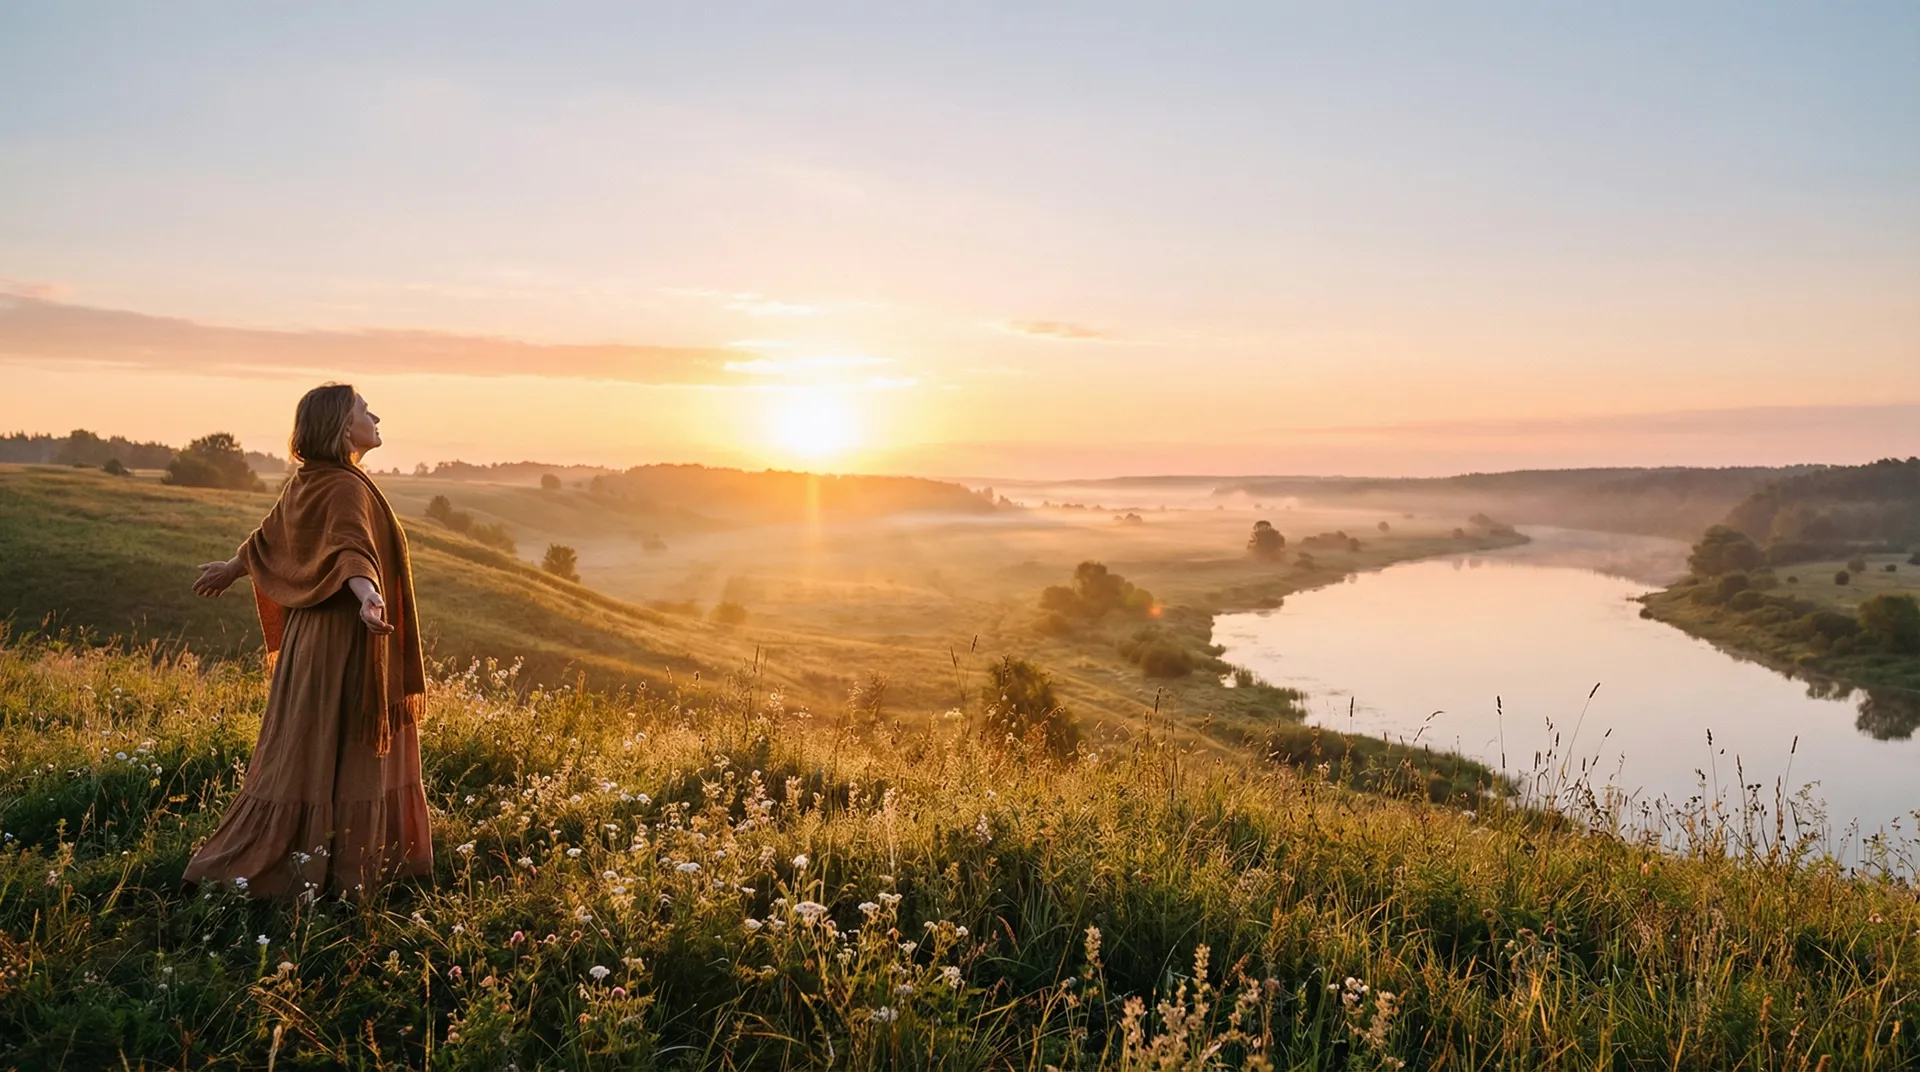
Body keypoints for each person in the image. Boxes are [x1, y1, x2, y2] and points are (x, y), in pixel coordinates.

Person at [184, 384, 432, 898]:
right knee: (346, 746)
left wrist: (233, 568)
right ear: (344, 427)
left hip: (309, 640)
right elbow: (350, 551)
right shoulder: (345, 487)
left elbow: (273, 537)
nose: (376, 415)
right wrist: (368, 597)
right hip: (342, 637)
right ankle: (338, 872)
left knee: (310, 746)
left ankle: (307, 856)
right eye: (366, 410)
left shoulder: (310, 480)